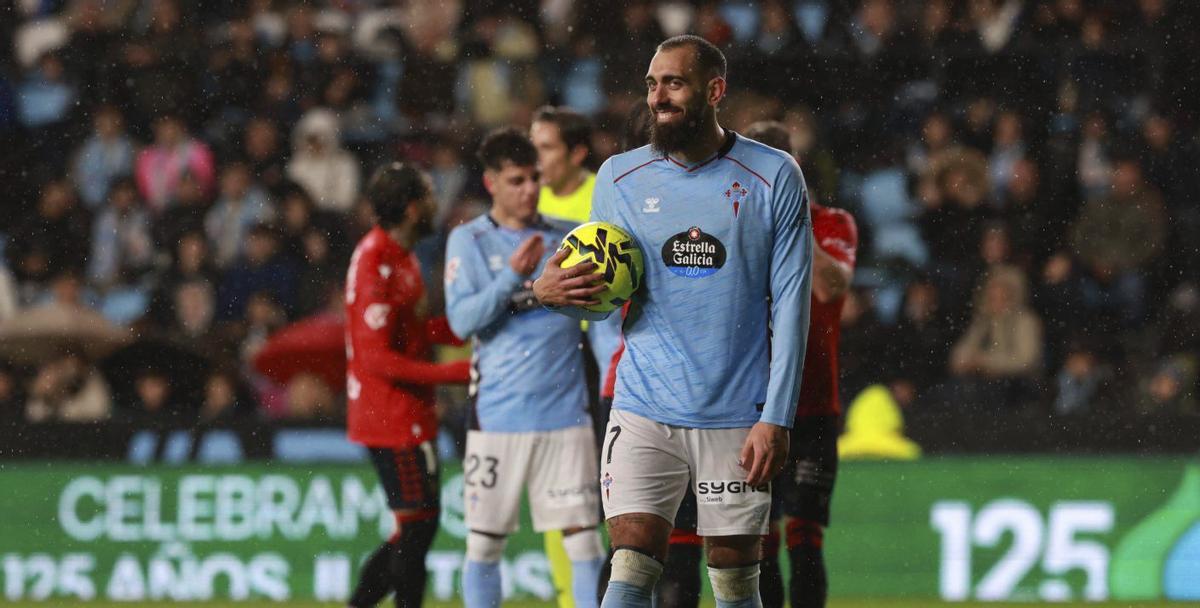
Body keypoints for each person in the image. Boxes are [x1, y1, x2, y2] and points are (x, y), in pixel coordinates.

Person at [534, 35, 813, 608]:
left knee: (735, 580)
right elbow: (607, 291)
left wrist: (777, 417)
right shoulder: (619, 177)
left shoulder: (773, 176)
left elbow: (790, 305)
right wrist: (549, 291)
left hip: (737, 413)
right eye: (652, 84)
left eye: (674, 84)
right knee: (631, 563)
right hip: (643, 404)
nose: (658, 97)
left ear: (715, 91)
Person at [653, 121, 856, 608]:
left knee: (805, 544)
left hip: (811, 406)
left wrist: (788, 221)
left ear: (794, 170)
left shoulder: (832, 222)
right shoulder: (734, 220)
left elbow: (830, 287)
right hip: (750, 410)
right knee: (756, 545)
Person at [445, 128, 606, 608]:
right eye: (517, 180)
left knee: (584, 542)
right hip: (498, 415)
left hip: (565, 414)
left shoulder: (566, 238)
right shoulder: (469, 240)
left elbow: (595, 316)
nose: (530, 188)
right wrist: (519, 281)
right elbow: (462, 322)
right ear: (491, 183)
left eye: (535, 177)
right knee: (485, 544)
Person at [343, 162, 470, 608]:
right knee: (416, 528)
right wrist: (454, 373)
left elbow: (412, 334)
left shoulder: (403, 256)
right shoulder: (374, 261)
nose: (438, 203)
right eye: (432, 194)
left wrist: (465, 327)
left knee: (416, 526)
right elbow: (376, 357)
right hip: (388, 416)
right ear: (414, 207)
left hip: (409, 413)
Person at [531, 105, 622, 607]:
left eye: (544, 147)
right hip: (553, 367)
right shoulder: (526, 198)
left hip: (607, 362)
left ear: (577, 153)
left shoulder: (606, 194)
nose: (534, 161)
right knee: (560, 494)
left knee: (612, 496)